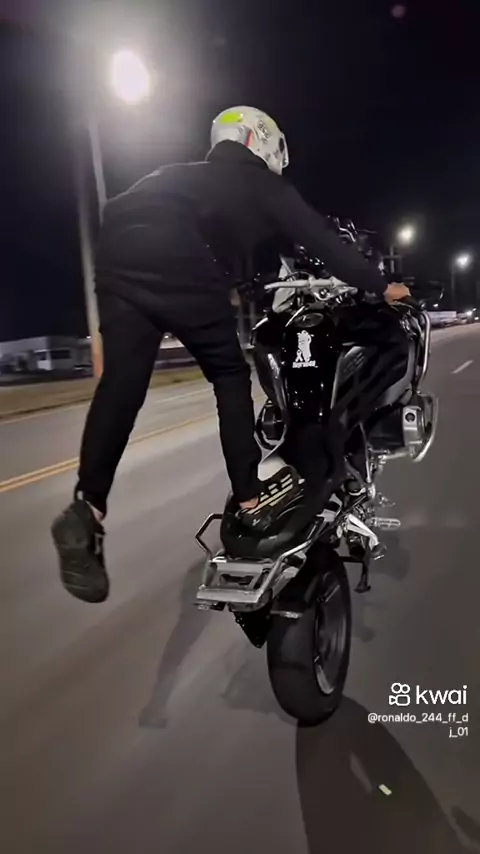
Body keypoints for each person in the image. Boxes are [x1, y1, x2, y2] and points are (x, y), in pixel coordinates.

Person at [52, 106, 409, 603]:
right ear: (259, 142)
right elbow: (321, 241)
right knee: (229, 373)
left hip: (117, 249)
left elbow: (216, 240)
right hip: (179, 258)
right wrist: (381, 285)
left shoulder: (178, 176)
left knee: (122, 386)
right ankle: (250, 498)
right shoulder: (260, 182)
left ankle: (87, 509)